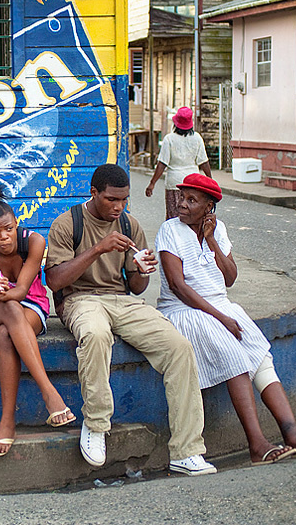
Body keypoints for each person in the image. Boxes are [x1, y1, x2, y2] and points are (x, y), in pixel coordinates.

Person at [45, 163, 216, 476]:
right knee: (96, 335)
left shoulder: (128, 224)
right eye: (111, 199)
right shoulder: (68, 223)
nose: (118, 207)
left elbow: (136, 288)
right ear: (93, 193)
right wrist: (98, 249)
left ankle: (186, 451)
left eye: (124, 200)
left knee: (179, 347)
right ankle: (96, 425)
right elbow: (55, 281)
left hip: (122, 300)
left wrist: (142, 270)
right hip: (80, 299)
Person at [155, 173, 296, 466]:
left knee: (261, 358)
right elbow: (177, 286)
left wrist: (211, 240)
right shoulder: (169, 230)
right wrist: (221, 318)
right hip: (184, 311)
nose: (182, 204)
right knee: (235, 358)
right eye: (182, 197)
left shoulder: (218, 230)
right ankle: (257, 445)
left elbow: (230, 278)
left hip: (221, 306)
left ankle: (293, 436)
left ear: (209, 207)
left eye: (191, 200)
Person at [0, 183, 75, 458]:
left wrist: (3, 293)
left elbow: (20, 291)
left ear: (16, 223)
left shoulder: (34, 242)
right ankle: (49, 393)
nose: (3, 237)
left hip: (31, 305)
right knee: (9, 310)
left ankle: (7, 423)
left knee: (7, 331)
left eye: (8, 229)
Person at [145, 107, 212, 220]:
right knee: (192, 216)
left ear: (176, 123)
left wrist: (152, 183)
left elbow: (162, 164)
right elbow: (204, 162)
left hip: (174, 183)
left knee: (173, 217)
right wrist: (210, 180)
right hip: (193, 183)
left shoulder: (169, 139)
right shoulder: (197, 138)